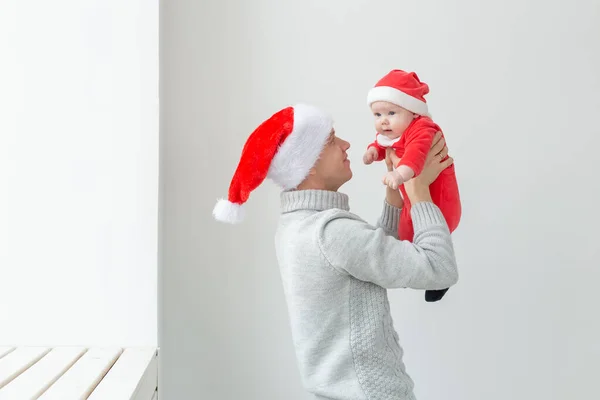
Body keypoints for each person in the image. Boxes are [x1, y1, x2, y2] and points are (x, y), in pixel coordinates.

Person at [213, 103, 458, 400]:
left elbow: (367, 262)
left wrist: (395, 194)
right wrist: (420, 191)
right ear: (307, 163)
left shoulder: (297, 227)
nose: (346, 144)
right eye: (331, 140)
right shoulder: (330, 232)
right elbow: (439, 268)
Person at [363, 69, 462, 302]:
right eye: (377, 115)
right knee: (405, 237)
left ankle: (436, 276)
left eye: (390, 112)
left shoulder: (422, 128)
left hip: (439, 201)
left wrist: (399, 175)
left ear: (413, 111)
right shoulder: (398, 130)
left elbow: (416, 157)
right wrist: (372, 152)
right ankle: (426, 275)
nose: (383, 120)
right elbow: (382, 144)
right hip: (413, 200)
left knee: (416, 237)